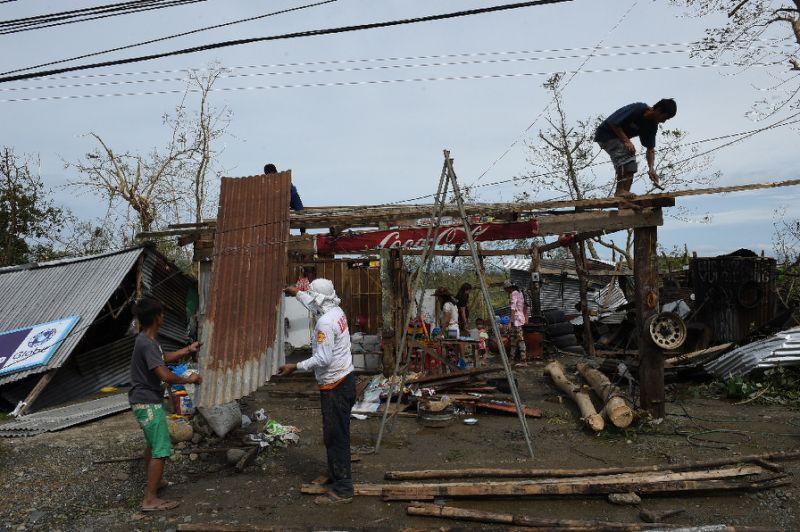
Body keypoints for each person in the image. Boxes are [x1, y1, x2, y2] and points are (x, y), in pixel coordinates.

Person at [277, 279, 355, 505]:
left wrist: (295, 366)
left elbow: (323, 358)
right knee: (335, 434)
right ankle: (336, 474)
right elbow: (313, 304)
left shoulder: (325, 323)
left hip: (335, 386)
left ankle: (343, 489)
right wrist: (296, 293)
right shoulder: (335, 310)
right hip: (344, 379)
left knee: (336, 436)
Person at [128, 297, 202, 512]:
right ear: (156, 318)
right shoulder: (148, 342)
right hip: (146, 401)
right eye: (162, 313)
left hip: (144, 400)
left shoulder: (148, 340)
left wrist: (187, 349)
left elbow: (161, 359)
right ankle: (150, 499)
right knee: (161, 448)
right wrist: (190, 379)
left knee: (153, 444)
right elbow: (164, 374)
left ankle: (156, 483)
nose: (164, 316)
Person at [594, 99, 677, 198]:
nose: (663, 121)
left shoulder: (652, 126)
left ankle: (624, 195)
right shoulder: (638, 109)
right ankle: (620, 191)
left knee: (631, 163)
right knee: (627, 154)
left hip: (617, 138)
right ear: (658, 110)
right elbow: (613, 123)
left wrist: (651, 168)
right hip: (605, 134)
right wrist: (626, 141)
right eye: (665, 117)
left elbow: (650, 149)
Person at [503, 280, 528, 367]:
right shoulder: (519, 293)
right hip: (518, 319)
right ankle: (512, 359)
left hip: (516, 320)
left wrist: (510, 322)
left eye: (506, 289)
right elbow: (524, 307)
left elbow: (513, 309)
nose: (506, 291)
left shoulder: (513, 293)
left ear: (509, 288)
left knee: (520, 340)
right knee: (513, 340)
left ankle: (523, 361)